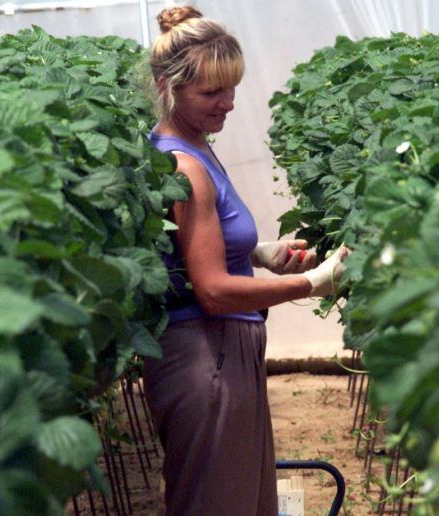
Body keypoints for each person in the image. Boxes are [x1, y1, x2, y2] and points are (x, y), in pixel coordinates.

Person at [141, 5, 351, 515]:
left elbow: (189, 243)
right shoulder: (184, 165)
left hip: (216, 354)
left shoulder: (191, 145)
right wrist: (314, 284)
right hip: (204, 358)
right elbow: (211, 291)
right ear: (169, 85)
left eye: (232, 88)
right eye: (212, 92)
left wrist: (256, 254)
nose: (228, 104)